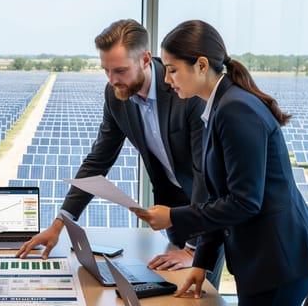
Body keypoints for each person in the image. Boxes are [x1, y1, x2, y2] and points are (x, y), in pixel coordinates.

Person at [131, 20, 308, 306]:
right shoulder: (219, 106)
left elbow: (244, 202)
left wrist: (173, 216)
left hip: (278, 260)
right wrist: (202, 262)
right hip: (265, 257)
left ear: (202, 66)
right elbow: (215, 194)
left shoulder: (236, 109)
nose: (167, 80)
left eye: (174, 70)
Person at [17, 19, 223, 286]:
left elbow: (203, 175)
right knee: (170, 302)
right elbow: (97, 161)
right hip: (175, 212)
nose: (113, 80)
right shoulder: (116, 95)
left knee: (200, 305)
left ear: (146, 59)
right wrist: (59, 225)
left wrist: (193, 249)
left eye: (121, 71)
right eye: (106, 71)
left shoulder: (185, 89)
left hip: (209, 216)